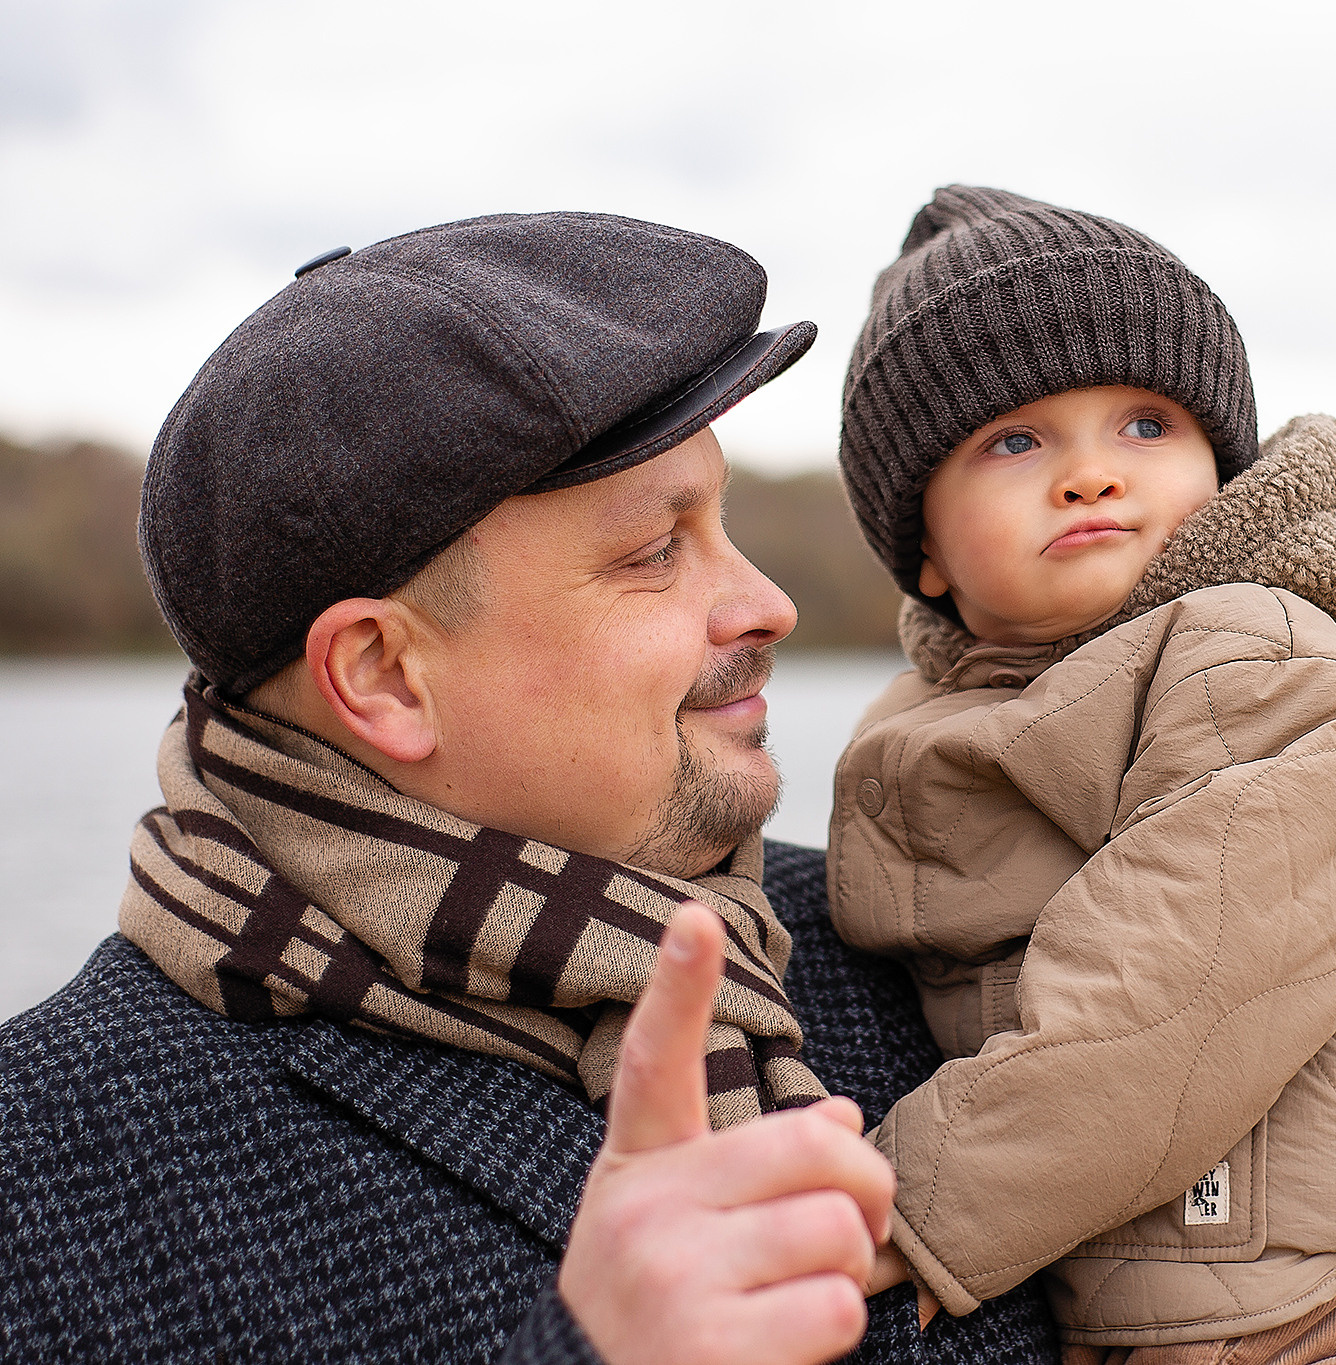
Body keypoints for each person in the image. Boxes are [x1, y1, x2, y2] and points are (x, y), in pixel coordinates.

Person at [0, 212, 1060, 1365]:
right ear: (385, 676)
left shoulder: (921, 936)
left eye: (723, 522)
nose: (767, 603)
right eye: (656, 552)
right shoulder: (40, 1172)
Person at [826, 187, 1336, 1365]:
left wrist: (913, 1199)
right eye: (1015, 441)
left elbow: (1174, 986)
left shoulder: (1263, 654)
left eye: (1145, 426)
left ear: (1221, 461)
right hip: (1138, 1293)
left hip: (1306, 1298)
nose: (1091, 474)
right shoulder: (930, 724)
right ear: (925, 553)